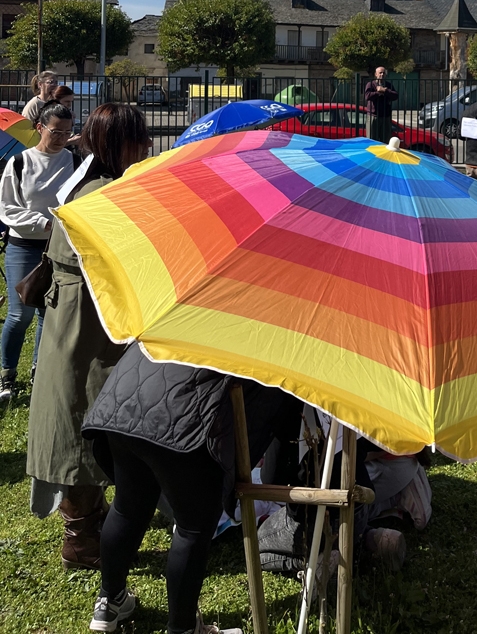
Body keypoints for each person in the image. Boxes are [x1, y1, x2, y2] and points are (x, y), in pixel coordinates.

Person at [82, 342, 302, 634]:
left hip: (125, 399)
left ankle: (109, 601)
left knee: (128, 506)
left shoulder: (201, 301)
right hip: (180, 419)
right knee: (193, 528)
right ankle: (184, 629)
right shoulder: (278, 343)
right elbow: (277, 427)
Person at [27, 103, 152, 572]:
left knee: (80, 412)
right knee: (79, 416)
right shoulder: (103, 193)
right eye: (137, 139)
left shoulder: (89, 181)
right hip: (86, 319)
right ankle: (81, 539)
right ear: (116, 143)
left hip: (85, 314)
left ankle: (89, 525)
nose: (144, 147)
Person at [0, 102, 77, 402]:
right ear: (39, 128)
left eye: (68, 133)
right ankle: (7, 375)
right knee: (21, 314)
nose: (61, 138)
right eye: (56, 132)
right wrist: (42, 222)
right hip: (23, 246)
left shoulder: (74, 161)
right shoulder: (19, 163)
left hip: (58, 247)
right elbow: (6, 209)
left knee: (48, 312)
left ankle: (38, 370)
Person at [364, 66, 398, 144]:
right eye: (380, 73)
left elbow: (395, 96)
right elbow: (367, 96)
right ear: (376, 74)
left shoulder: (388, 85)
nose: (382, 74)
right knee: (372, 140)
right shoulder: (371, 84)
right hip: (374, 117)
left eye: (383, 73)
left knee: (385, 141)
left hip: (386, 117)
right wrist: (378, 93)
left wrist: (385, 91)